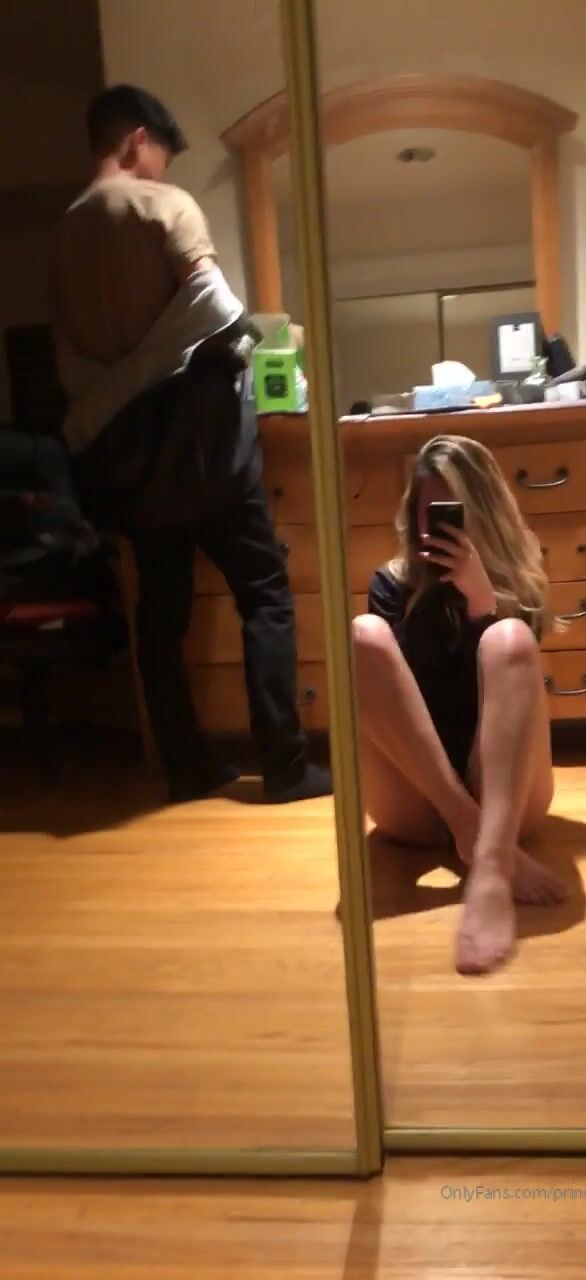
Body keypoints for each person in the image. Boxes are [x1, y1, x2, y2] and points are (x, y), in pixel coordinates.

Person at [52, 84, 331, 804]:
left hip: (126, 458)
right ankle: (285, 765)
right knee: (264, 594)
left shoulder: (64, 234)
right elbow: (214, 308)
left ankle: (185, 767)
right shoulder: (161, 205)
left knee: (160, 615)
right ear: (137, 141)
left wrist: (122, 385)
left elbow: (71, 361)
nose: (162, 172)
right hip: (200, 447)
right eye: (161, 158)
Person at [352, 434, 566, 976]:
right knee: (363, 634)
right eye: (427, 513)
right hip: (420, 796)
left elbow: (508, 693)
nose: (435, 528)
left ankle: (490, 868)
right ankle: (474, 835)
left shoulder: (519, 580)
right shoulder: (392, 584)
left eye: (451, 513)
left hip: (507, 801)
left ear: (482, 511)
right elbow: (398, 701)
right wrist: (462, 817)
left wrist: (482, 605)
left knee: (509, 639)